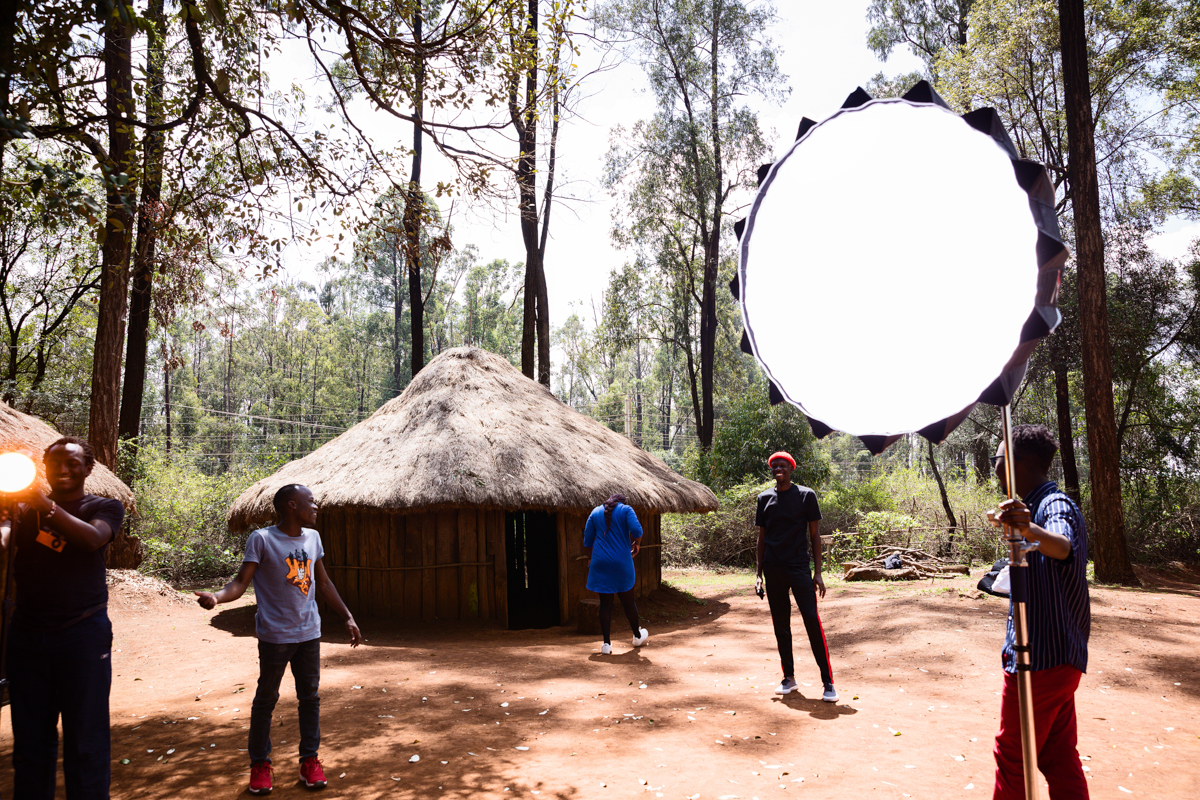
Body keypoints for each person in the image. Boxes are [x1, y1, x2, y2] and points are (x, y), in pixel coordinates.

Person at [196, 484, 361, 795]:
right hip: (275, 636)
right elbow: (240, 582)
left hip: (309, 633)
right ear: (291, 505)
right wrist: (217, 597)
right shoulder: (262, 539)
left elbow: (323, 583)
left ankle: (309, 761)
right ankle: (260, 764)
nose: (316, 507)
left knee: (309, 698)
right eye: (310, 502)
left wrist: (347, 616)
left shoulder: (313, 538)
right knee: (266, 699)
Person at [0, 437, 125, 800]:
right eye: (56, 464)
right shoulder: (23, 510)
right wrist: (8, 517)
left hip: (82, 634)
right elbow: (4, 543)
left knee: (86, 739)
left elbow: (92, 540)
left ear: (88, 469)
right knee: (30, 740)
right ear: (45, 469)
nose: (64, 470)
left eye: (73, 464)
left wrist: (44, 506)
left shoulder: (104, 507)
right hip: (26, 634)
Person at [988, 425, 1090, 800]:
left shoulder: (1054, 505)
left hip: (1041, 659)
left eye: (997, 461)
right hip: (1060, 656)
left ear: (1022, 464)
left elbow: (1062, 546)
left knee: (1012, 753)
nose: (994, 469)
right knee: (1056, 754)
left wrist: (1026, 527)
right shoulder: (1034, 506)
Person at [754, 451, 837, 702]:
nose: (778, 469)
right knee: (781, 625)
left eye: (783, 465)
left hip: (799, 568)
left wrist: (819, 572)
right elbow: (762, 538)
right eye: (774, 466)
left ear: (791, 469)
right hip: (773, 569)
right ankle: (789, 678)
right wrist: (758, 575)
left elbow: (815, 536)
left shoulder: (806, 495)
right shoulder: (764, 498)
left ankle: (828, 682)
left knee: (812, 620)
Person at [583, 493, 648, 654]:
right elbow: (637, 530)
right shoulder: (626, 510)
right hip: (621, 563)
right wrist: (637, 544)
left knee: (605, 604)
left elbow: (587, 540)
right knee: (628, 602)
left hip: (600, 563)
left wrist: (593, 559)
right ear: (621, 503)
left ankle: (606, 644)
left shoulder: (595, 512)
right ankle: (637, 636)